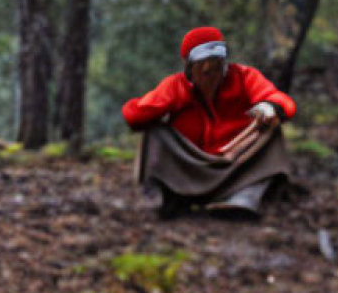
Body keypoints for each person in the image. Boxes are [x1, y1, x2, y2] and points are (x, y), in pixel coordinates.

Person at [122, 26, 297, 218]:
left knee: (271, 132)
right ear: (189, 67)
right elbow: (134, 117)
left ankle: (245, 198)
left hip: (238, 163)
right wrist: (164, 103)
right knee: (155, 134)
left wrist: (270, 107)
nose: (209, 72)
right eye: (202, 65)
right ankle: (168, 199)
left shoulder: (244, 76)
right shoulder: (175, 86)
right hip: (190, 165)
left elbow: (282, 101)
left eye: (215, 65)